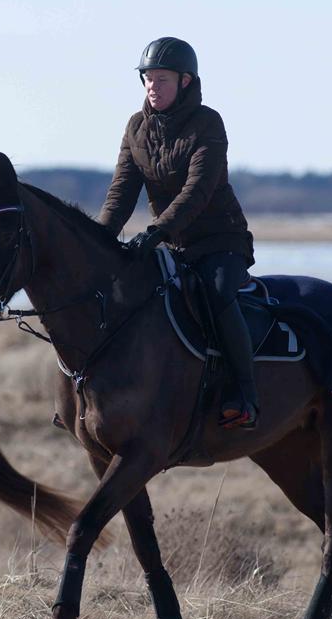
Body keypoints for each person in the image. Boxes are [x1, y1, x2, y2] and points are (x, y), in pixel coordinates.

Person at [98, 37, 259, 429]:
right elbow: (121, 192)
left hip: (221, 242)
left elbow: (197, 192)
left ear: (186, 82)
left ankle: (246, 395)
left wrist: (155, 231)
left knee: (217, 295)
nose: (152, 86)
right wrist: (98, 240)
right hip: (173, 245)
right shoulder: (136, 128)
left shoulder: (208, 123)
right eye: (148, 79)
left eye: (162, 79)